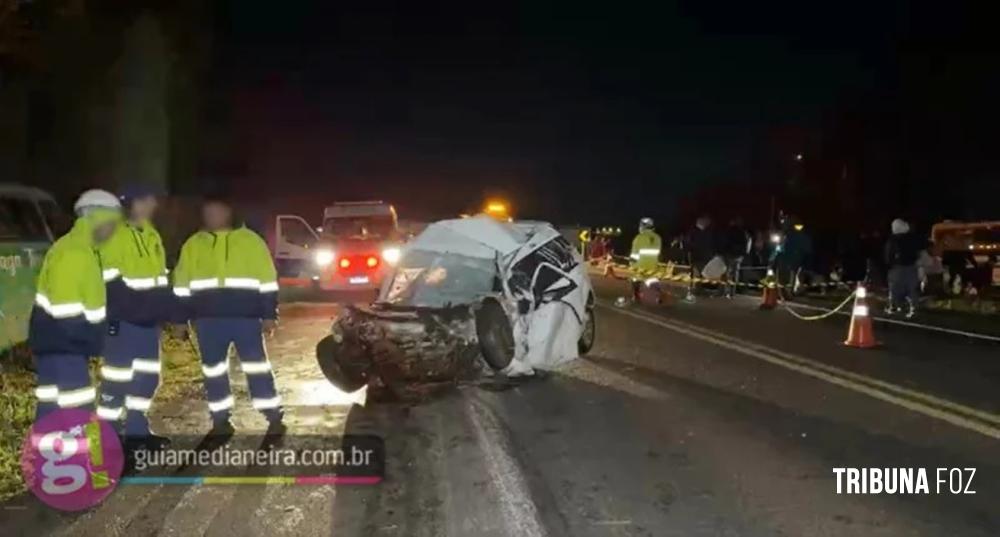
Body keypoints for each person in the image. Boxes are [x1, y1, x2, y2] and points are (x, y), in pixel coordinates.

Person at [172, 196, 283, 436]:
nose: (212, 217)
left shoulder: (251, 242)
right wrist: (180, 321)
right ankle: (220, 420)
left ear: (229, 213)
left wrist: (269, 315)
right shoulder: (194, 244)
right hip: (207, 321)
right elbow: (181, 286)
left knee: (256, 367)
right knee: (213, 371)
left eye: (218, 211)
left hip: (246, 319)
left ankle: (273, 415)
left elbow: (267, 281)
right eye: (208, 212)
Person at [29, 190, 122, 423]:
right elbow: (67, 315)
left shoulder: (82, 249)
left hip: (59, 346)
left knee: (51, 411)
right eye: (113, 224)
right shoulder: (74, 254)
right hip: (66, 348)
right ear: (99, 219)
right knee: (78, 411)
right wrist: (96, 341)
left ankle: (47, 447)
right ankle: (78, 448)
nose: (114, 231)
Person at [96, 184, 171, 450]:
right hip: (124, 322)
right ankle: (108, 438)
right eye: (148, 200)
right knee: (117, 382)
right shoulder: (113, 234)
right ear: (134, 203)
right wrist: (140, 310)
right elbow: (110, 282)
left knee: (147, 379)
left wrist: (165, 310)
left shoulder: (152, 234)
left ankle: (137, 432)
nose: (154, 205)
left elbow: (160, 280)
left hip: (148, 323)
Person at [884, 218, 923, 318]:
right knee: (911, 288)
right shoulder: (912, 239)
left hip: (897, 268)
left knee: (895, 288)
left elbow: (889, 255)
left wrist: (889, 264)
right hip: (911, 267)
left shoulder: (893, 240)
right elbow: (917, 253)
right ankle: (914, 308)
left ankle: (894, 306)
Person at [771, 215, 812, 293]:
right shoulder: (786, 235)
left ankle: (790, 290)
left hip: (795, 258)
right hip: (786, 258)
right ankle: (784, 290)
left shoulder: (799, 235)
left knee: (793, 273)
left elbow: (806, 248)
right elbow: (779, 247)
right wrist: (775, 256)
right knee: (783, 274)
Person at [629, 217, 662, 302]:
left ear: (643, 226)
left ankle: (636, 296)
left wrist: (631, 265)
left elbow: (634, 255)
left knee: (634, 279)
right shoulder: (658, 238)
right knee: (652, 280)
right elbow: (658, 254)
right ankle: (658, 296)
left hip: (640, 266)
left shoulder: (639, 238)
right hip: (653, 266)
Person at [685, 215, 715, 301]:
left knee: (701, 274)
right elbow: (689, 244)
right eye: (706, 221)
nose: (708, 223)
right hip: (697, 256)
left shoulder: (707, 232)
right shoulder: (694, 232)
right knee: (696, 273)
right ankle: (694, 290)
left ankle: (698, 289)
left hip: (704, 256)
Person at [723, 217, 751, 298]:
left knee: (728, 273)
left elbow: (725, 242)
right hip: (738, 255)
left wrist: (725, 252)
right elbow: (746, 244)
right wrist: (743, 254)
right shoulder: (743, 232)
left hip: (730, 254)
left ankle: (727, 291)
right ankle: (732, 292)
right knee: (735, 273)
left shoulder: (729, 231)